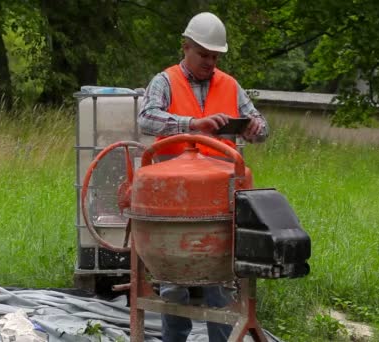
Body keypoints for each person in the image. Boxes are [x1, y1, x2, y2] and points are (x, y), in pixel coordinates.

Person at [137, 11, 269, 342]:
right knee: (173, 288)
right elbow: (147, 119)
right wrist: (191, 124)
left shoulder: (230, 85)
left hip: (220, 199)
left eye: (215, 56)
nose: (210, 62)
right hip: (175, 201)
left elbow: (261, 125)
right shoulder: (164, 82)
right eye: (203, 55)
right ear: (185, 48)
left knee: (220, 286)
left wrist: (255, 128)